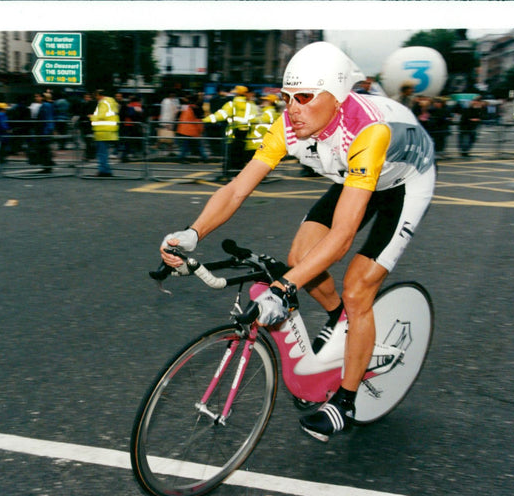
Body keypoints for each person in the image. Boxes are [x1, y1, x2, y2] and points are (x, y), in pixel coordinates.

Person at [159, 41, 435, 443]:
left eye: (304, 97)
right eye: (286, 97)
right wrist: (193, 232)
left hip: (406, 179)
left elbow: (341, 238)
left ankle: (345, 400)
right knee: (299, 258)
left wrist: (283, 287)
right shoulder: (287, 125)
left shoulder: (367, 130)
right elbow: (237, 189)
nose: (292, 108)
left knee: (359, 287)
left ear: (337, 98)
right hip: (358, 174)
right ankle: (339, 317)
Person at [202, 85, 260, 172]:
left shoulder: (232, 104)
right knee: (240, 154)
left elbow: (221, 115)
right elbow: (255, 119)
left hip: (233, 131)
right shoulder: (250, 105)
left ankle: (229, 172)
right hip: (246, 132)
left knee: (230, 152)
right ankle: (238, 172)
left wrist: (205, 120)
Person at [89, 89, 120, 177]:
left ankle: (104, 170)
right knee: (105, 151)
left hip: (102, 130)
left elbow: (101, 116)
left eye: (96, 96)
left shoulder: (103, 102)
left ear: (99, 95)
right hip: (110, 129)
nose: (96, 98)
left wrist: (91, 117)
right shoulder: (112, 102)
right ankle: (106, 170)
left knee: (101, 152)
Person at [176, 94, 208, 163]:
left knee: (187, 144)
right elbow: (198, 121)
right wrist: (201, 130)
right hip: (192, 129)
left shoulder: (186, 107)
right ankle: (204, 158)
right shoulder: (196, 109)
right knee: (195, 144)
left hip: (185, 128)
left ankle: (203, 157)